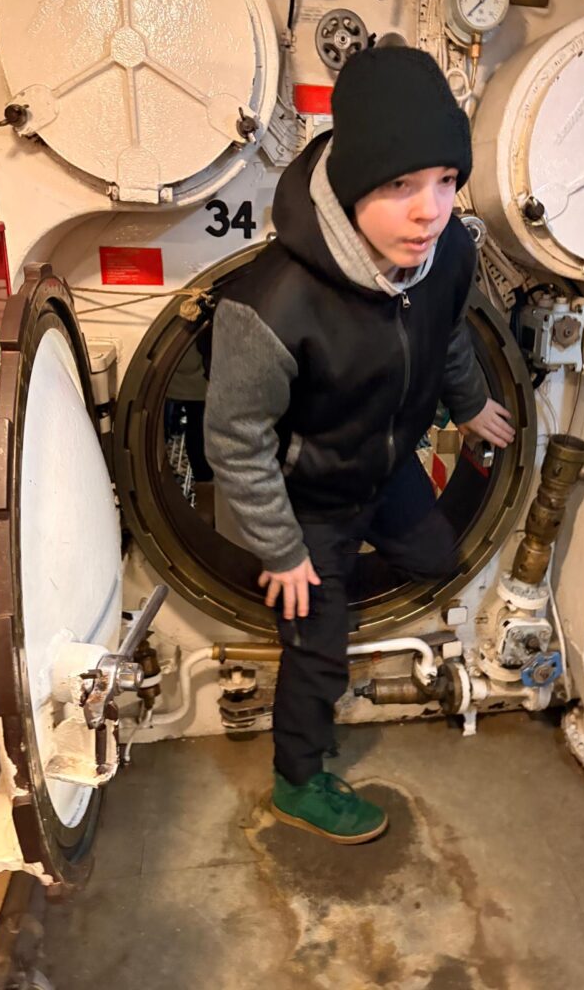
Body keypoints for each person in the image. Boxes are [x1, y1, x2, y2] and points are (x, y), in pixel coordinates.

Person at [204, 46, 514, 844]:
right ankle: (298, 779)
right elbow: (234, 440)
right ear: (350, 185)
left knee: (437, 557)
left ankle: (336, 582)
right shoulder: (272, 303)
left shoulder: (449, 253)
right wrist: (281, 550)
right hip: (309, 499)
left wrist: (471, 403)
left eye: (446, 179)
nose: (429, 211)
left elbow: (447, 334)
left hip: (386, 466)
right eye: (400, 185)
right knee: (319, 648)